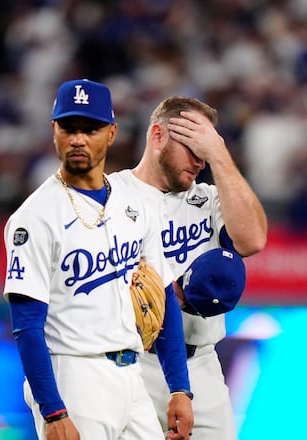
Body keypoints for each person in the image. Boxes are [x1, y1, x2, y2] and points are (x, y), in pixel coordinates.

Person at [3, 79, 194, 440]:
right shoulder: (35, 217)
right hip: (74, 377)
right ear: (54, 131)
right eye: (69, 128)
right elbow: (26, 325)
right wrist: (53, 410)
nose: (78, 139)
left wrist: (179, 389)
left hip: (132, 375)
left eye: (90, 129)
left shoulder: (136, 201)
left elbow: (166, 295)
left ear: (111, 133)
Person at [111, 96, 268, 439]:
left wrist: (220, 155)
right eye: (192, 148)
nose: (200, 161)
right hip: (128, 364)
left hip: (199, 366)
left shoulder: (208, 198)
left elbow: (253, 240)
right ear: (157, 136)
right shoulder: (111, 195)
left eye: (206, 150)